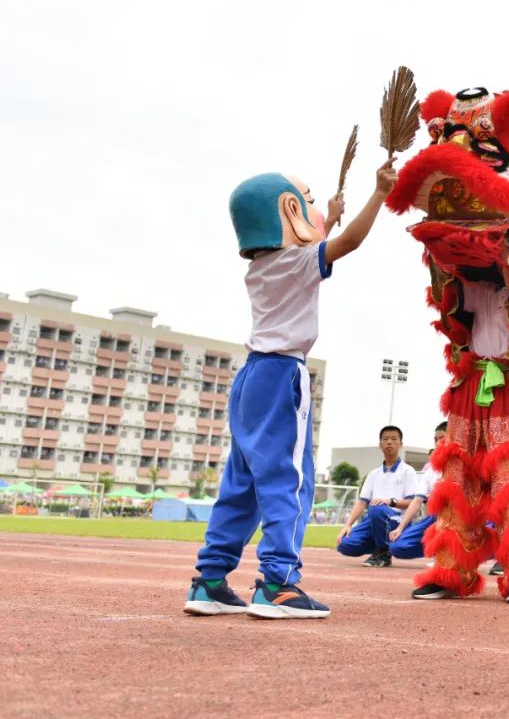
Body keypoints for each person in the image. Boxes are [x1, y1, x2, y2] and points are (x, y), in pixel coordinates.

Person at [185, 159, 398, 620]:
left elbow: (313, 240)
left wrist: (331, 215)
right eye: (309, 202)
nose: (315, 209)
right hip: (283, 374)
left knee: (240, 484)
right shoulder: (302, 261)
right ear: (289, 210)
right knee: (290, 481)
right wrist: (379, 193)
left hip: (250, 378)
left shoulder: (262, 266)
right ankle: (279, 583)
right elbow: (348, 244)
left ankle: (211, 581)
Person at [336, 426, 422, 566]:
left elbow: (413, 502)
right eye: (385, 439)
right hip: (373, 519)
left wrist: (390, 502)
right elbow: (361, 503)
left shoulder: (408, 471)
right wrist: (347, 525)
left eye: (394, 439)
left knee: (377, 508)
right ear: (380, 444)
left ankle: (383, 553)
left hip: (396, 519)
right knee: (344, 544)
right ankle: (379, 546)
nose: (389, 442)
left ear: (401, 444)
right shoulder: (373, 474)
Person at [388, 422, 448, 560]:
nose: (438, 443)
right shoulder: (432, 471)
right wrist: (400, 527)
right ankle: (438, 550)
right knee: (397, 546)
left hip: (463, 520)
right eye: (435, 439)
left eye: (442, 438)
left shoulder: (466, 466)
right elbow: (417, 501)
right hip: (436, 519)